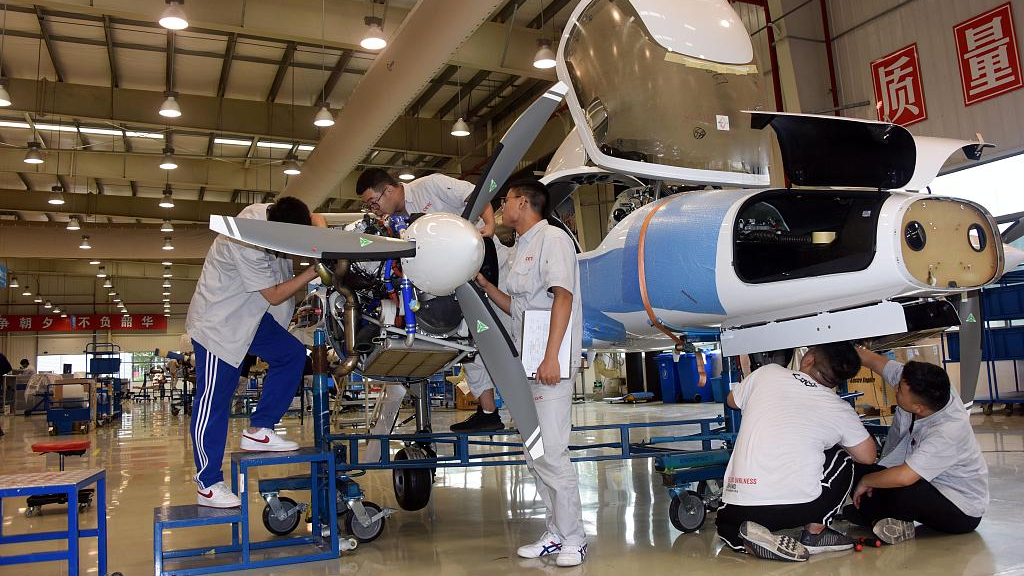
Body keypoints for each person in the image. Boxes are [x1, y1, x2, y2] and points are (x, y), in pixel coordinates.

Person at [474, 179, 587, 567]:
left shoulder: (552, 238)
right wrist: (487, 285)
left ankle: (574, 537)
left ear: (523, 203)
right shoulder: (521, 246)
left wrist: (553, 356)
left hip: (549, 364)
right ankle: (555, 533)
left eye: (506, 201)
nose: (503, 208)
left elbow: (563, 296)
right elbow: (517, 308)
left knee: (552, 452)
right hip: (529, 362)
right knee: (535, 453)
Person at [186, 197, 325, 508]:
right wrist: (315, 270)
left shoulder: (279, 215)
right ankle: (207, 484)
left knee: (291, 355)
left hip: (250, 318)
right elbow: (274, 296)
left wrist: (323, 240)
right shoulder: (246, 237)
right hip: (218, 323)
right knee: (214, 400)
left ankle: (260, 428)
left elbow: (315, 215)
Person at [356, 168, 504, 432]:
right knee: (467, 346)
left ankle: (529, 403)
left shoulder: (432, 185)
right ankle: (489, 413)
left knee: (504, 336)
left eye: (372, 202)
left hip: (488, 269)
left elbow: (475, 194)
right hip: (450, 286)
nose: (373, 209)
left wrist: (489, 225)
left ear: (388, 190)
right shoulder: (395, 222)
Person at [715, 342, 877, 562]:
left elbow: (731, 401)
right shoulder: (838, 407)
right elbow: (868, 456)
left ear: (808, 359)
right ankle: (814, 534)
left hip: (736, 510)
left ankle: (747, 539)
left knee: (728, 526)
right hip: (798, 510)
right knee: (844, 457)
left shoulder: (767, 373)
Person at [845, 348, 988, 544]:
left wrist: (867, 481)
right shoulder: (916, 384)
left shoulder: (948, 431)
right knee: (853, 468)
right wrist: (842, 349)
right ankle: (882, 515)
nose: (895, 388)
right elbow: (874, 361)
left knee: (901, 489)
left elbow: (905, 477)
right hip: (920, 481)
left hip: (959, 509)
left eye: (900, 391)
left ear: (918, 408)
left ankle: (895, 520)